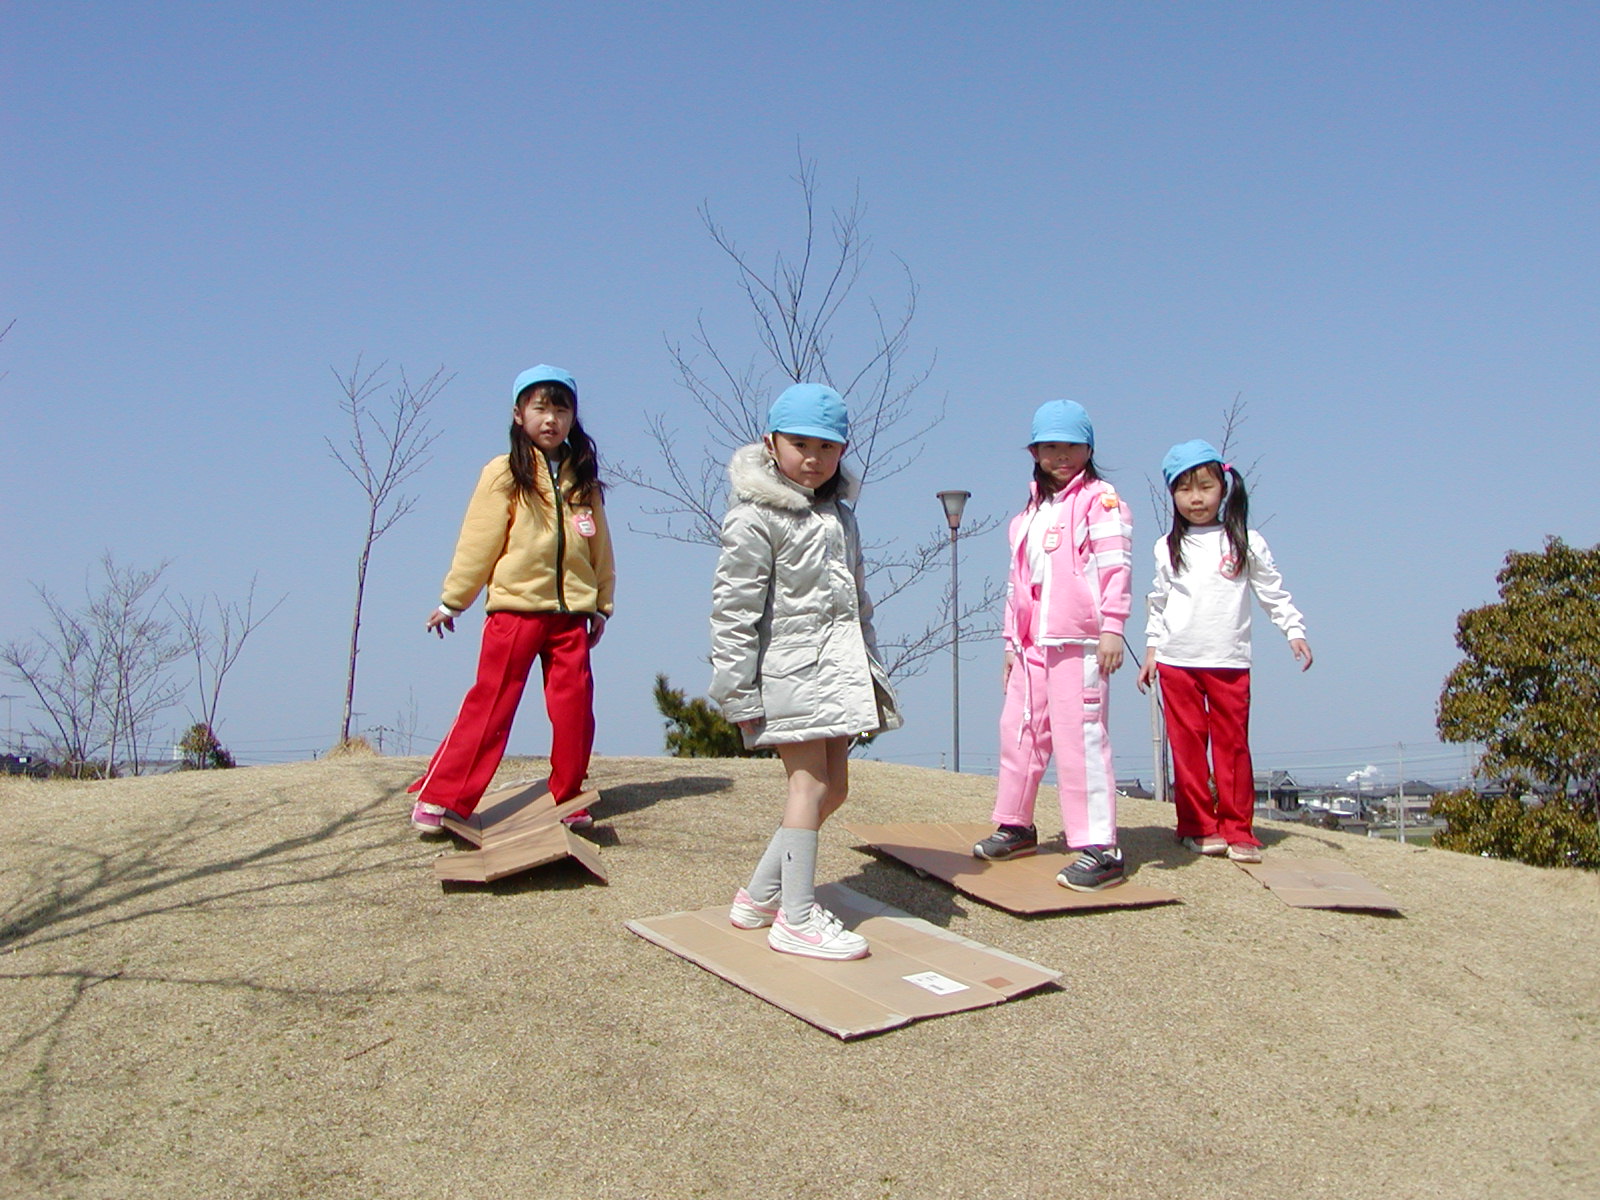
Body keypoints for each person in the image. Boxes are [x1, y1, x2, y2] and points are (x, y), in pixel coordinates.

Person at [709, 383, 901, 960]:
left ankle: (760, 897)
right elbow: (733, 612)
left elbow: (859, 603)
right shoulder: (753, 517)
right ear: (771, 443)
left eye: (827, 447)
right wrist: (738, 693)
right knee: (808, 786)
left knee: (834, 788)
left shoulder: (841, 516)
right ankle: (795, 919)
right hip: (788, 674)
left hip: (838, 674)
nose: (813, 458)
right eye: (800, 444)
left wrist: (867, 671)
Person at [407, 365, 615, 834]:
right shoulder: (503, 472)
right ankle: (441, 797)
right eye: (540, 408)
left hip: (570, 615)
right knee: (491, 705)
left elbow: (599, 544)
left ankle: (569, 796)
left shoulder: (582, 476)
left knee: (575, 711)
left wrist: (601, 603)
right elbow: (479, 541)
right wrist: (454, 600)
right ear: (519, 414)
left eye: (562, 410)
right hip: (515, 610)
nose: (551, 419)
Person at [973, 400, 1134, 891]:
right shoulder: (1031, 511)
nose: (1060, 456)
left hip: (1078, 639)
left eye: (1070, 446)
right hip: (1030, 643)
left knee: (1079, 737)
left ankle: (1100, 846)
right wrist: (1010, 640)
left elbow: (1115, 565)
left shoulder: (1101, 500)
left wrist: (1112, 626)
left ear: (1088, 448)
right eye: (1049, 447)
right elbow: (1016, 581)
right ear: (1035, 453)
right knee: (1019, 730)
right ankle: (1016, 824)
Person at [1136, 439, 1312, 863]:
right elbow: (1159, 602)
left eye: (1205, 487)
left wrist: (1293, 630)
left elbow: (1271, 590)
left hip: (1229, 661)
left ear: (1224, 487)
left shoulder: (1246, 541)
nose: (1195, 499)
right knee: (1187, 749)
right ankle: (1197, 826)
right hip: (1177, 662)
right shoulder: (1166, 546)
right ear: (1172, 495)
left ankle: (1238, 829)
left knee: (1232, 747)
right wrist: (1151, 650)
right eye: (1184, 489)